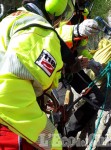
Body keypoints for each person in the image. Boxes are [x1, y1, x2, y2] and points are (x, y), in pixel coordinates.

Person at [0, 0, 85, 149]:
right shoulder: (40, 29)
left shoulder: (12, 19)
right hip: (8, 125)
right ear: (55, 6)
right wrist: (52, 141)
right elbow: (10, 94)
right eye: (65, 12)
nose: (60, 22)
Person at [55, 0, 105, 139]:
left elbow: (81, 47)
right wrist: (75, 30)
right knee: (60, 109)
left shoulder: (84, 14)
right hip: (53, 67)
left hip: (73, 64)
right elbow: (50, 31)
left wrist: (91, 61)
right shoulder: (58, 5)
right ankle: (52, 140)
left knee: (97, 99)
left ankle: (66, 135)